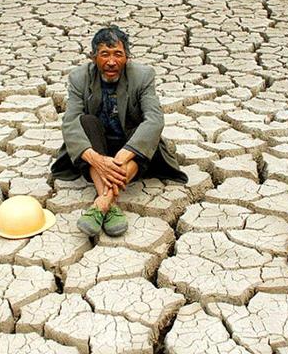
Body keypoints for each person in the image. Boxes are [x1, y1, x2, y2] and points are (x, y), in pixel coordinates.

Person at [51, 26, 188, 237]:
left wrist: (122, 157)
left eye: (118, 54)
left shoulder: (143, 76)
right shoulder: (79, 78)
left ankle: (102, 204)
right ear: (93, 57)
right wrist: (96, 159)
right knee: (86, 121)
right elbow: (70, 122)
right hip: (97, 144)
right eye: (104, 54)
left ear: (127, 57)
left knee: (142, 135)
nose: (111, 61)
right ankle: (110, 203)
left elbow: (154, 119)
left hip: (130, 147)